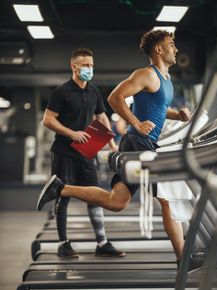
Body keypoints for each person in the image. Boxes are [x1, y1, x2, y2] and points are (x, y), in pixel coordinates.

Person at [37, 30, 204, 270]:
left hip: (143, 145)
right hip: (139, 145)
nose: (176, 49)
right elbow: (116, 97)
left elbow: (152, 108)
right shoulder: (147, 74)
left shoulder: (165, 79)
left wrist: (177, 114)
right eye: (171, 44)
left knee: (117, 202)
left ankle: (61, 188)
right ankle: (183, 258)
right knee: (167, 198)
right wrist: (136, 124)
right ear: (158, 49)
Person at [41, 47, 125, 258]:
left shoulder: (94, 91)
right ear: (74, 66)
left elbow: (102, 118)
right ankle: (63, 243)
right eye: (86, 65)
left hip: (87, 152)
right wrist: (72, 134)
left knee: (95, 196)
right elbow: (48, 120)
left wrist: (112, 144)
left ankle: (102, 242)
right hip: (64, 152)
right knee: (64, 195)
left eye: (92, 65)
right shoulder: (61, 92)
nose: (89, 68)